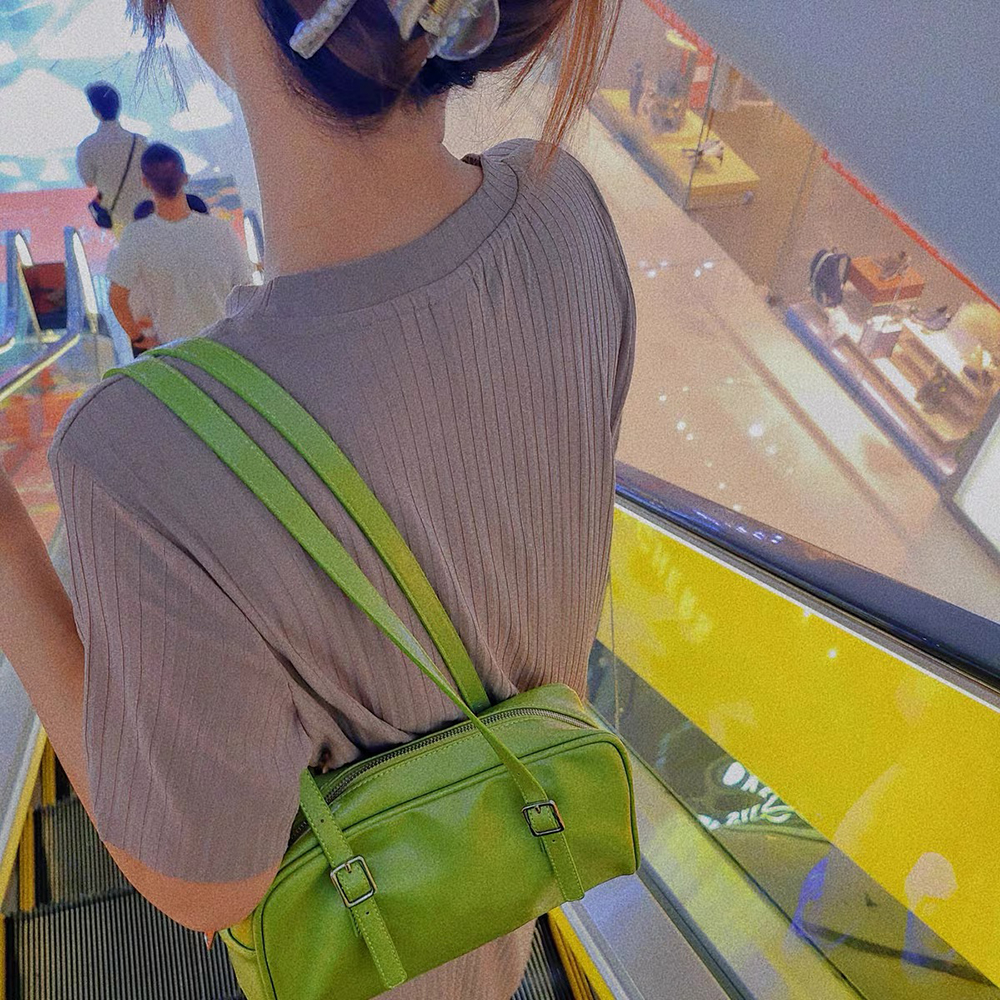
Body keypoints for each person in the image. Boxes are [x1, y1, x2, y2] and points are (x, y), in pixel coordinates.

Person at [1, 0, 633, 997]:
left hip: (367, 958)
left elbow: (205, 886)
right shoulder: (567, 212)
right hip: (514, 883)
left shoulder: (142, 452)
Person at [107, 143, 253, 355]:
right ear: (185, 177)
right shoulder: (220, 230)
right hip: (224, 350)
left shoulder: (136, 236)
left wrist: (139, 339)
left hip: (174, 356)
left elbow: (117, 298)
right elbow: (246, 291)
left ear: (145, 182)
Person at [76, 82, 149, 236]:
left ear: (95, 111)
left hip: (117, 217)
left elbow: (89, 181)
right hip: (146, 214)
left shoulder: (87, 146)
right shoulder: (141, 142)